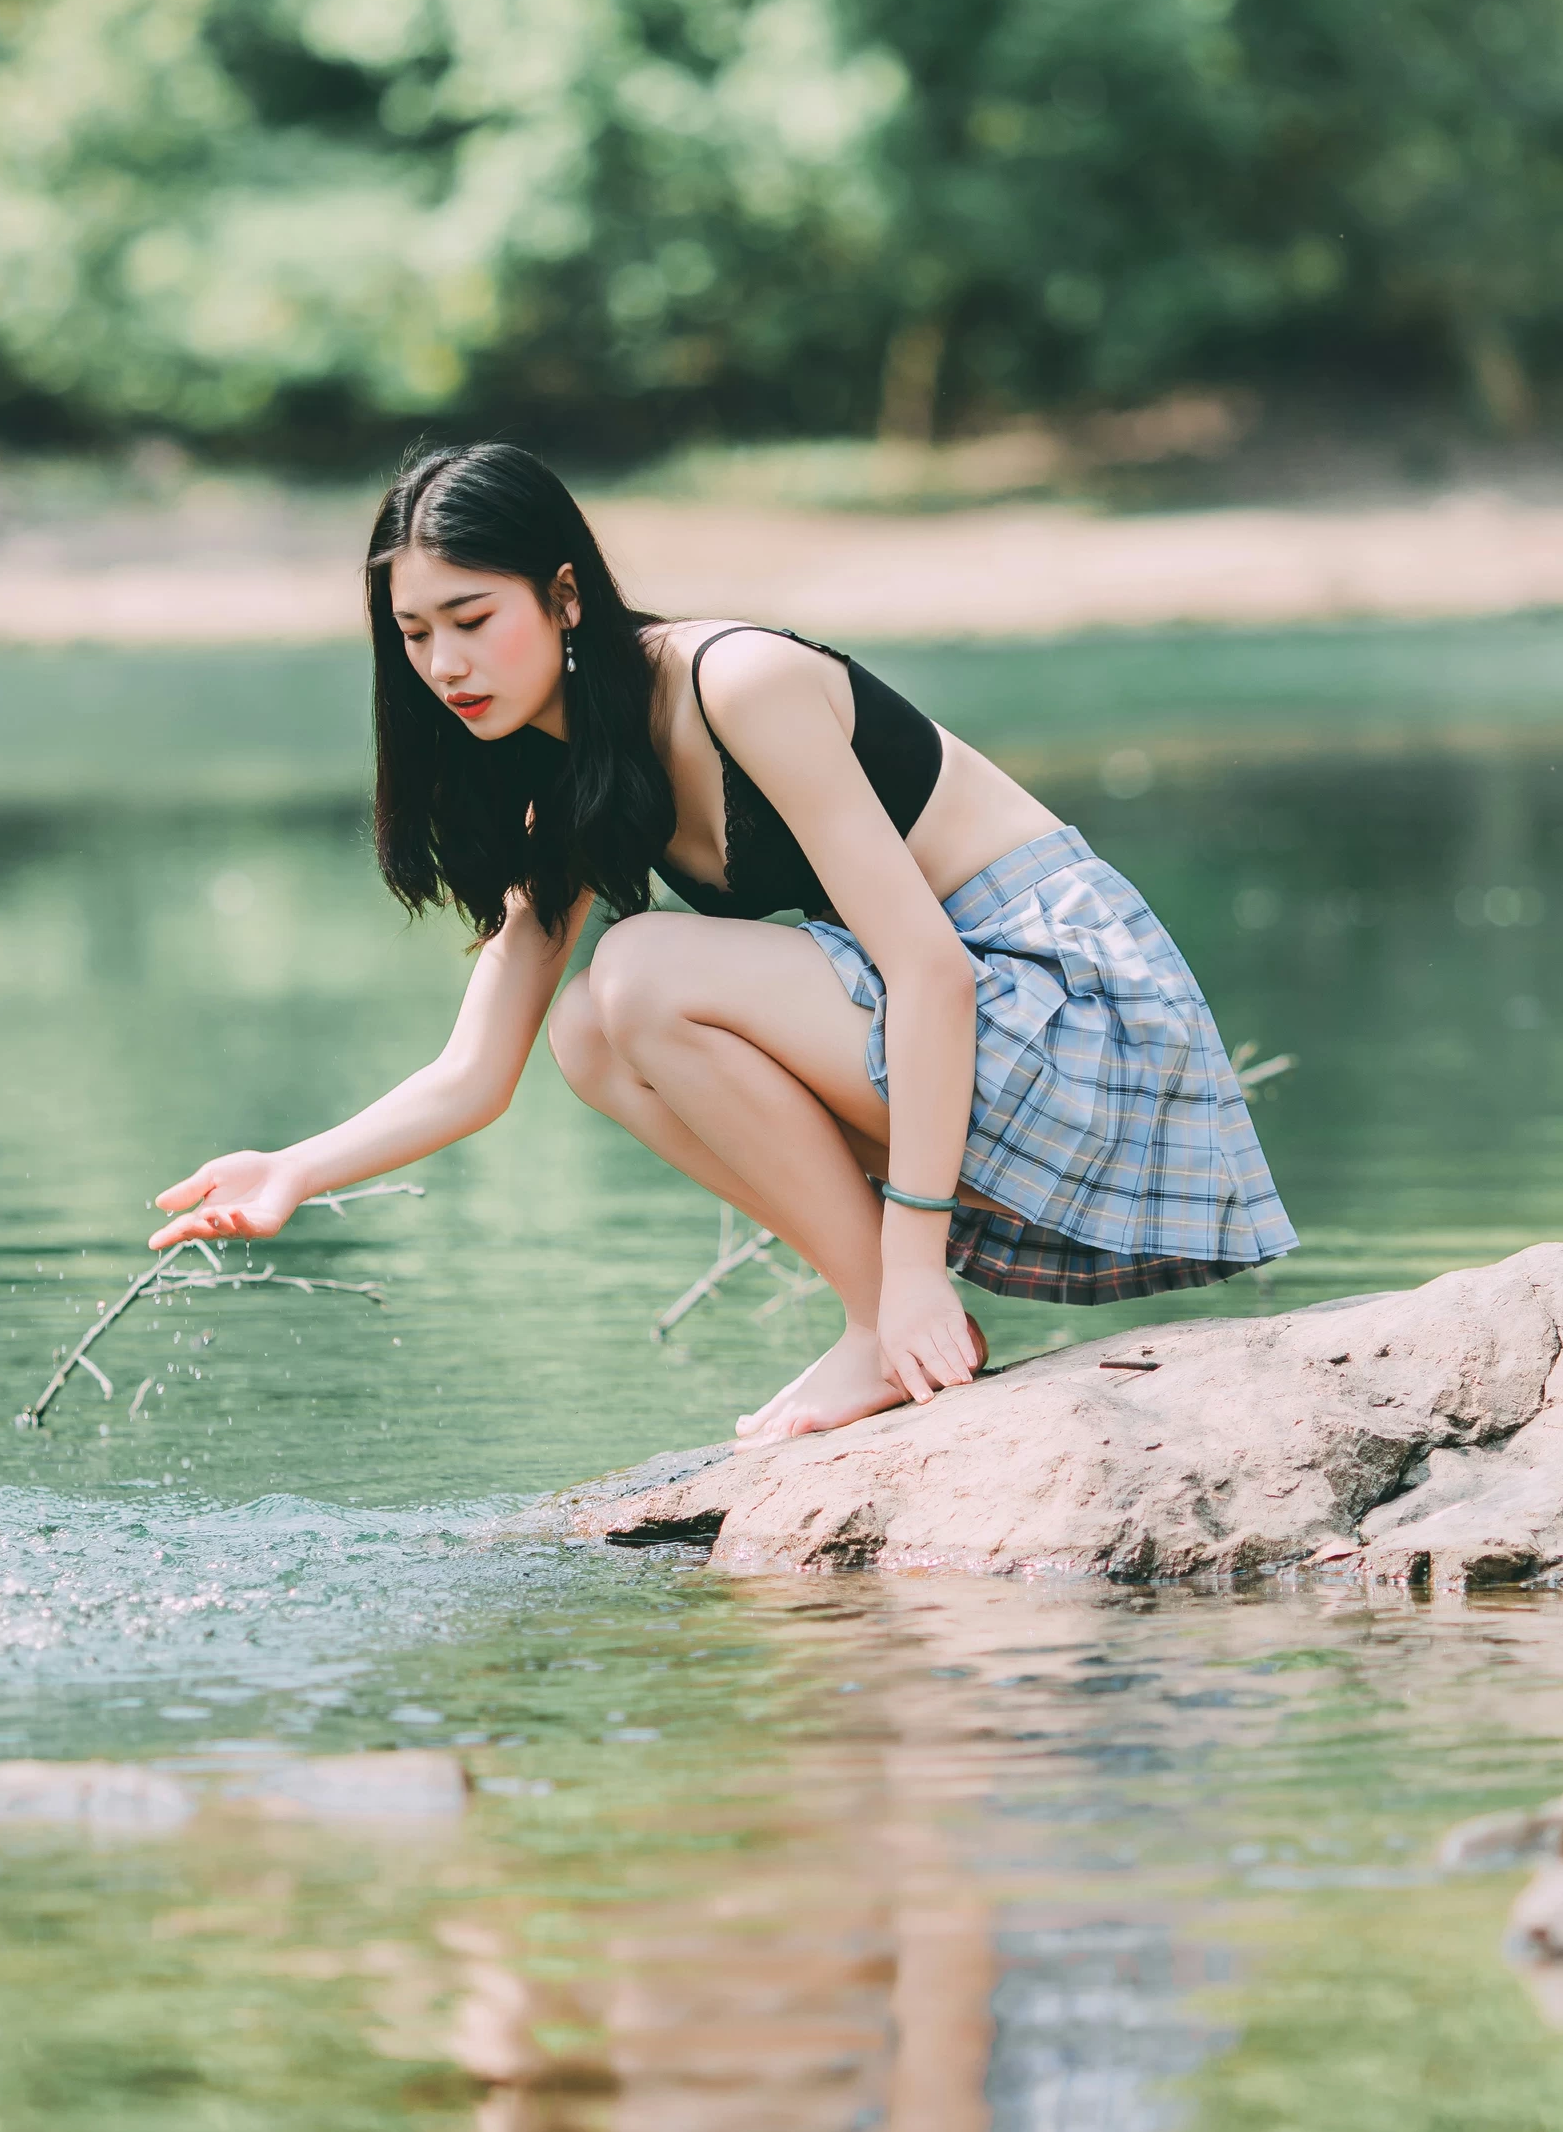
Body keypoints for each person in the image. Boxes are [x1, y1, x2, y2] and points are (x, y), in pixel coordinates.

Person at [150, 440, 1295, 1441]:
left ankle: (881, 1320)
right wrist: (293, 1169)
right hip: (985, 1055)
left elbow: (932, 970)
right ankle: (874, 1325)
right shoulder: (573, 794)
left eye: (472, 620)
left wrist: (915, 1271)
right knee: (589, 1037)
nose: (446, 666)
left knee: (639, 971)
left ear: (562, 597)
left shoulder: (738, 682)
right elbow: (474, 1072)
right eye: (414, 634)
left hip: (1086, 1026)